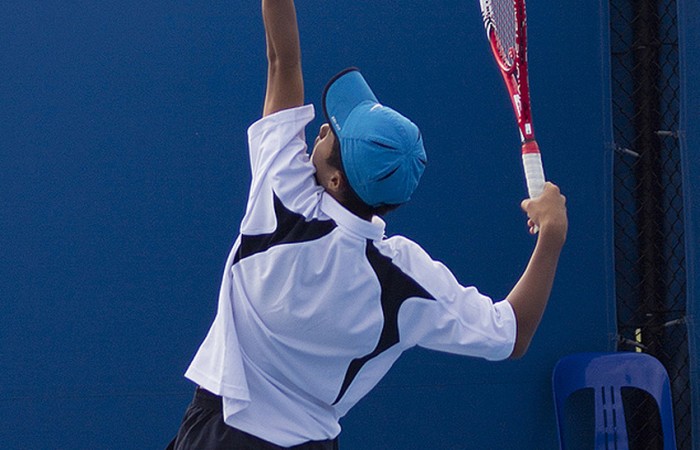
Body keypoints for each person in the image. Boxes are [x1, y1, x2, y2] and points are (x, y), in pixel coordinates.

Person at [167, 0, 568, 448]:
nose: (318, 130)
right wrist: (551, 236)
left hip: (216, 431)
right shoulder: (404, 277)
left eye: (328, 133)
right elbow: (512, 333)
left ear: (335, 179)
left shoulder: (283, 192)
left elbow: (283, 60)